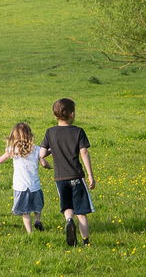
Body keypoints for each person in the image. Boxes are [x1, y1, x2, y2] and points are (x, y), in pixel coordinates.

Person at [40, 98, 96, 246]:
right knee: (82, 212)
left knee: (67, 207)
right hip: (76, 176)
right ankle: (86, 241)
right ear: (71, 114)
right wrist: (90, 175)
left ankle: (69, 221)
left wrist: (47, 156)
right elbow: (83, 152)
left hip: (60, 178)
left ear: (55, 115)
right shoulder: (78, 131)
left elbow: (42, 153)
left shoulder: (50, 132)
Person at [0, 122, 52, 234]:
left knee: (25, 212)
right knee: (37, 207)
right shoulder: (36, 149)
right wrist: (50, 163)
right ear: (29, 135)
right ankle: (38, 220)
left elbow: (0, 160)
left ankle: (30, 233)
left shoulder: (12, 149)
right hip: (34, 185)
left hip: (20, 186)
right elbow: (44, 162)